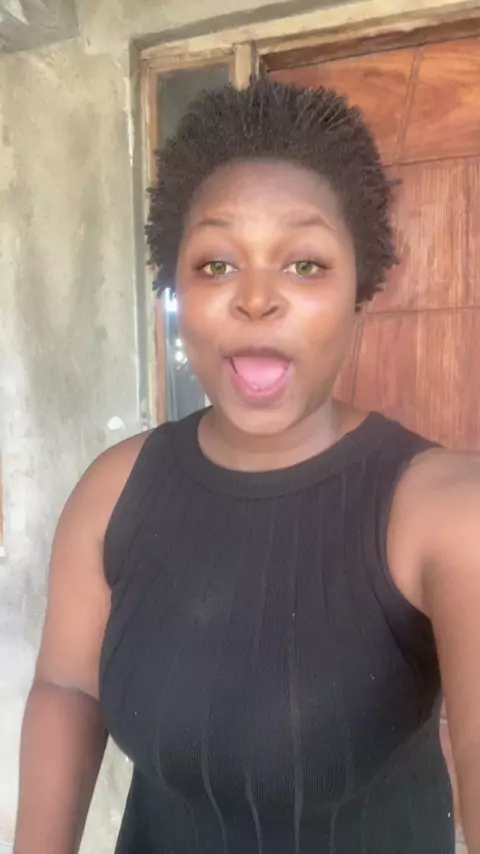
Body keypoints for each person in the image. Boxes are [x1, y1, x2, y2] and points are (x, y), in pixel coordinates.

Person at [14, 79, 480, 854]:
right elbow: (68, 685)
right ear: (175, 290)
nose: (257, 299)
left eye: (305, 265)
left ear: (360, 291)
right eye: (216, 264)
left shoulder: (440, 509)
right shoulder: (113, 491)